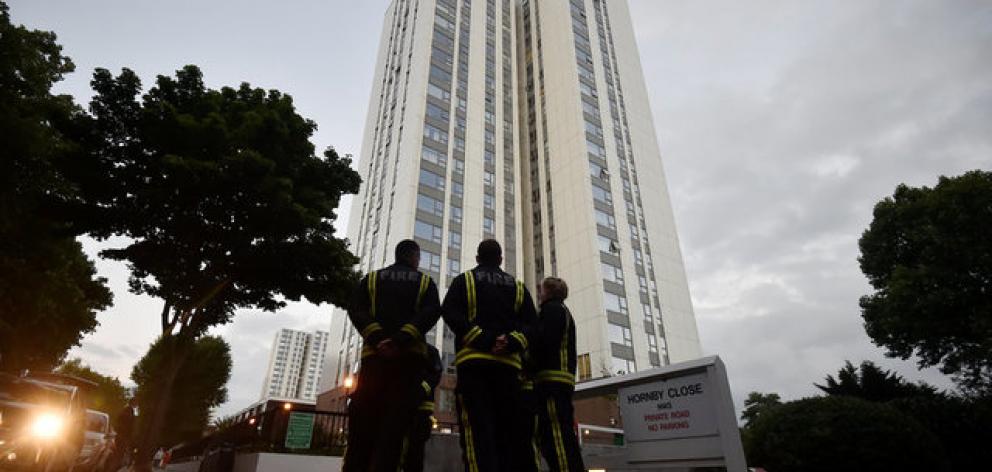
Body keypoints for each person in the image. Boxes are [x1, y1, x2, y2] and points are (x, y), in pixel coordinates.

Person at [342, 239, 441, 472]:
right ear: (415, 257)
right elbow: (432, 311)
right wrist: (401, 340)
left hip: (374, 363)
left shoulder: (372, 279)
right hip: (408, 365)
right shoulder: (425, 282)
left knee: (364, 429)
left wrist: (378, 339)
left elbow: (356, 309)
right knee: (396, 431)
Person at [442, 239, 537, 472]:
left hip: (473, 367)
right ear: (501, 259)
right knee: (507, 435)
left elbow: (450, 312)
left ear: (477, 258)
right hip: (508, 371)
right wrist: (511, 342)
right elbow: (532, 325)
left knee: (477, 435)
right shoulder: (517, 286)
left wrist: (482, 339)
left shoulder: (464, 281)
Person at [533, 277, 585, 472]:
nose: (539, 293)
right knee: (555, 435)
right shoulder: (561, 311)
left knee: (556, 436)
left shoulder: (552, 310)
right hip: (557, 381)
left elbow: (545, 342)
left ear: (550, 292)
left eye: (542, 289)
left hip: (552, 381)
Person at [402, 344, 443, 472]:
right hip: (401, 408)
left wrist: (420, 391)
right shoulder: (402, 348)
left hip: (422, 411)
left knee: (415, 452)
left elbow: (435, 375)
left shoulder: (430, 351)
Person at [112, 397, 137, 468]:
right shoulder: (129, 410)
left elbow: (117, 421)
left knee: (117, 455)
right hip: (123, 436)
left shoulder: (124, 410)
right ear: (133, 403)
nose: (137, 405)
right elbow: (130, 425)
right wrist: (129, 436)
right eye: (136, 403)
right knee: (119, 455)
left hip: (120, 435)